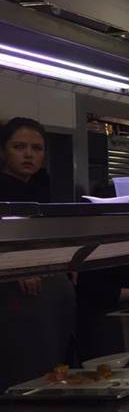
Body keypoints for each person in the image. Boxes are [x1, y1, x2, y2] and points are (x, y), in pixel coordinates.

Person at [0, 118, 76, 390]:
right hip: (17, 295)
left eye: (37, 148)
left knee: (52, 370)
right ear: (3, 151)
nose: (29, 154)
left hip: (53, 289)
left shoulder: (45, 189)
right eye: (19, 147)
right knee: (24, 374)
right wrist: (18, 264)